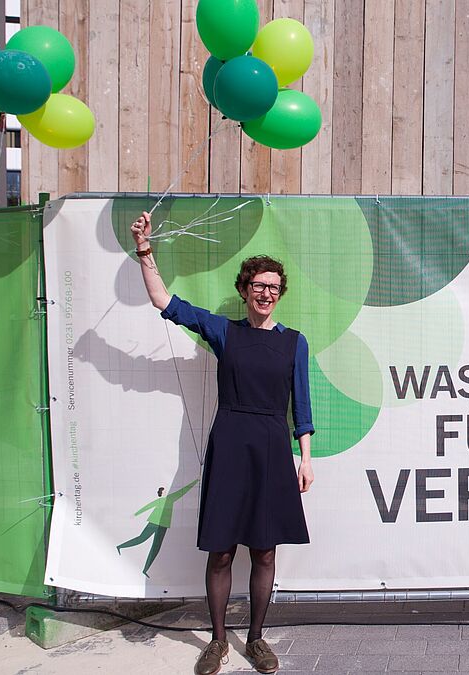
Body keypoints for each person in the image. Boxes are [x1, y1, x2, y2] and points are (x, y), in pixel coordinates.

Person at [131, 212, 315, 675]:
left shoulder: (295, 343)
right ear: (244, 289)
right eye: (258, 284)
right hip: (231, 444)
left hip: (273, 448)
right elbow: (162, 300)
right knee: (223, 550)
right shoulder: (224, 332)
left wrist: (305, 459)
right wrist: (145, 251)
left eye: (273, 286)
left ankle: (255, 639)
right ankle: (216, 641)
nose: (266, 292)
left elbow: (302, 407)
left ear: (280, 293)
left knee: (266, 550)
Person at [117, 480, 199, 577]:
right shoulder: (161, 500)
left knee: (156, 547)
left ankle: (145, 569)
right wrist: (135, 514)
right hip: (154, 523)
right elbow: (147, 507)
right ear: (161, 493)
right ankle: (120, 546)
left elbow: (183, 491)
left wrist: (196, 481)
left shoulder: (171, 499)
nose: (167, 491)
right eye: (164, 491)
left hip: (163, 526)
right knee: (141, 539)